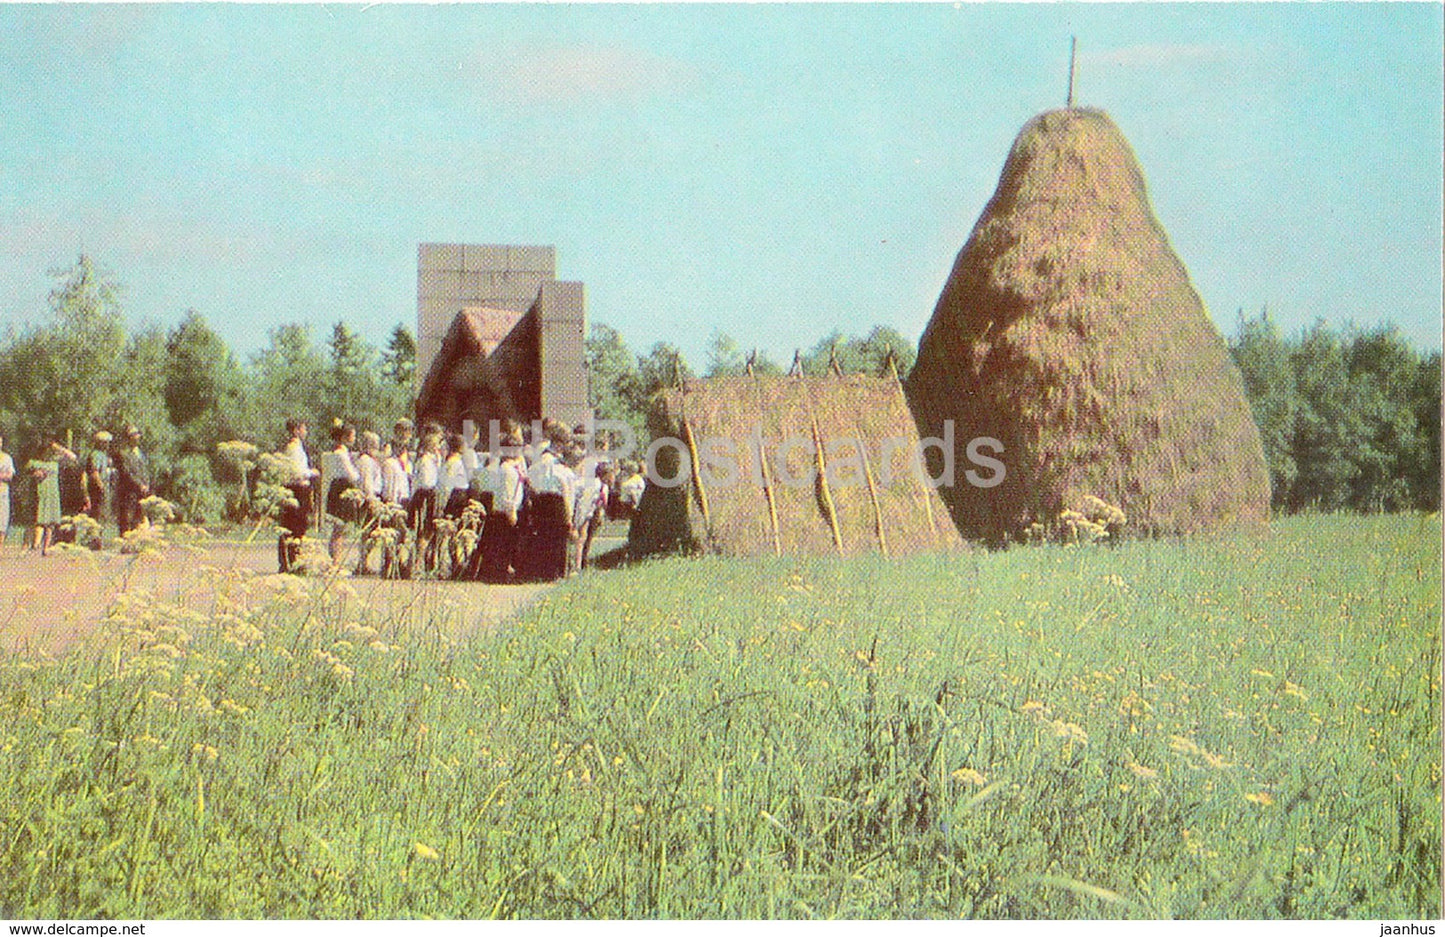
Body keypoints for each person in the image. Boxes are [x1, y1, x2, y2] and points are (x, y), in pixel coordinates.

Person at [522, 434, 576, 582]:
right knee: (558, 540)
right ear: (559, 444)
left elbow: (530, 483)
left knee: (543, 538)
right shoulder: (558, 465)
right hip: (556, 502)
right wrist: (569, 516)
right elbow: (566, 490)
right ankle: (556, 573)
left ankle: (543, 571)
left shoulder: (538, 462)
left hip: (539, 501)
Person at [477, 430, 526, 583]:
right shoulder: (507, 470)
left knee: (503, 544)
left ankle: (500, 572)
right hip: (505, 512)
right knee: (504, 544)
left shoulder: (506, 468)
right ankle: (500, 574)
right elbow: (507, 494)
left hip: (504, 510)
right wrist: (511, 513)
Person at [277, 418, 319, 573]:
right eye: (303, 429)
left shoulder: (299, 447)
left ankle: (296, 559)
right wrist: (311, 472)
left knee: (300, 526)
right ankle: (290, 561)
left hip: (301, 490)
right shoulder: (293, 448)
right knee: (294, 526)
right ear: (296, 430)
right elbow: (297, 471)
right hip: (296, 489)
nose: (305, 432)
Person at [319, 421, 361, 567]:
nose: (355, 438)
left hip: (337, 487)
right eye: (353, 435)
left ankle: (335, 559)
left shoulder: (339, 453)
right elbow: (352, 475)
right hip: (341, 489)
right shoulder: (341, 454)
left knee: (340, 529)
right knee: (339, 528)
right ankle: (335, 561)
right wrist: (358, 473)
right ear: (344, 437)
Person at [571, 462, 613, 574]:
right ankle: (578, 565)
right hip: (586, 512)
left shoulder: (588, 482)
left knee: (581, 538)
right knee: (582, 539)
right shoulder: (601, 486)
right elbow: (603, 503)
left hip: (582, 510)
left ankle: (577, 564)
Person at [410, 431, 441, 572]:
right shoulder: (425, 460)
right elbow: (427, 481)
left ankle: (421, 561)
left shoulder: (432, 459)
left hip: (428, 494)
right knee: (425, 530)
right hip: (426, 494)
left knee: (429, 530)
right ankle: (417, 562)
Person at [354, 431, 384, 575]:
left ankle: (365, 561)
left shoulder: (372, 460)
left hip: (375, 496)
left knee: (371, 533)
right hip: (369, 498)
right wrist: (371, 499)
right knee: (368, 532)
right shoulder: (365, 460)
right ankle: (363, 562)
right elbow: (367, 482)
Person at [28, 440, 64, 556]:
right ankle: (35, 544)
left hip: (53, 494)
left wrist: (59, 447)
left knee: (51, 523)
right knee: (40, 520)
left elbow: (72, 457)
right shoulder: (35, 463)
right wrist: (35, 474)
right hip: (42, 493)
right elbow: (28, 472)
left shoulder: (55, 463)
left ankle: (46, 548)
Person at [114, 425, 151, 537]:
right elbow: (126, 473)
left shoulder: (141, 453)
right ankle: (124, 542)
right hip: (128, 492)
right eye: (133, 435)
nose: (136, 437)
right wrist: (139, 485)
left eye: (137, 435)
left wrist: (146, 485)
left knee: (139, 517)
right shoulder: (123, 453)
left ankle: (137, 541)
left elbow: (145, 471)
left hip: (142, 492)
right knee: (126, 517)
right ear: (128, 438)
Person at [85, 431, 112, 525]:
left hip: (104, 486)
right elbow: (94, 472)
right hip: (98, 489)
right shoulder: (96, 455)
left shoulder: (103, 455)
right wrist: (101, 486)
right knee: (98, 514)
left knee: (103, 515)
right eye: (106, 442)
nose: (108, 444)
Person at [0, 434, 13, 551]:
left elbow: (10, 475)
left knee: (2, 520)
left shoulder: (6, 458)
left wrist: (3, 476)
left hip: (3, 493)